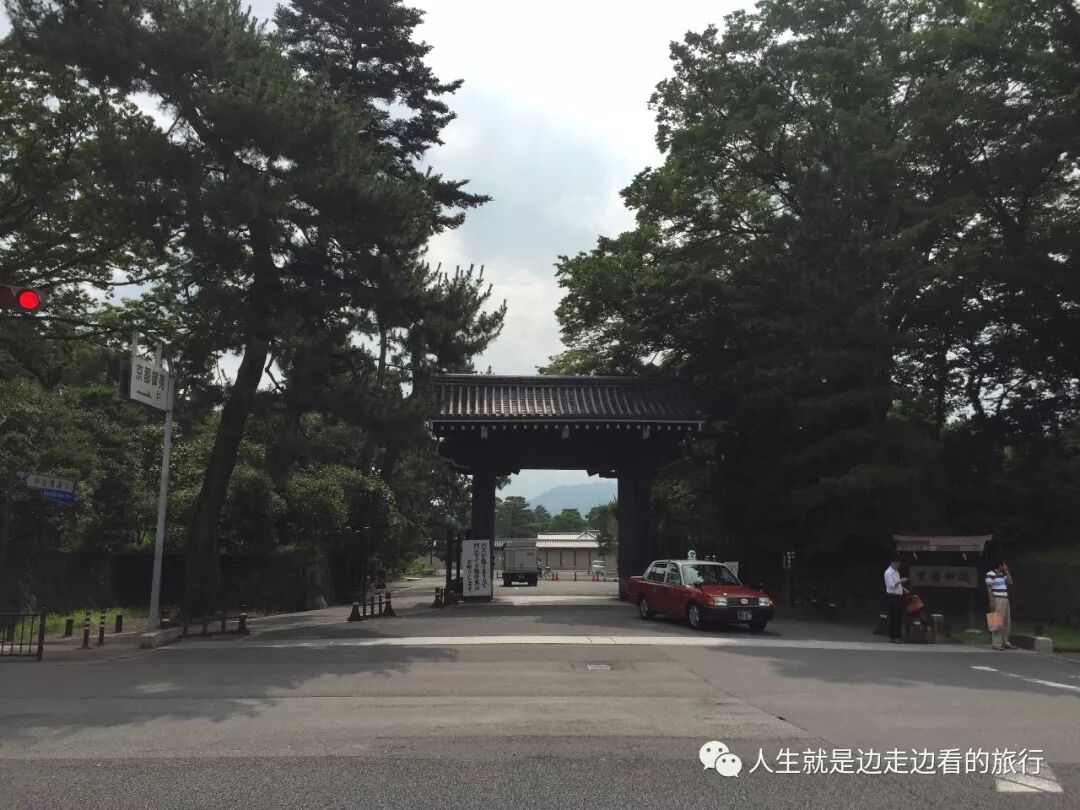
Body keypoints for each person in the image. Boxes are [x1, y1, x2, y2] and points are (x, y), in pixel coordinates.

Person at [985, 560, 1014, 650]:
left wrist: (1007, 572)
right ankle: (996, 643)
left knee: (1006, 621)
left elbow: (1010, 582)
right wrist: (991, 600)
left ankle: (1004, 641)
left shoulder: (1003, 575)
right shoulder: (990, 574)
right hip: (997, 598)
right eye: (1004, 565)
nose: (1006, 567)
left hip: (1005, 598)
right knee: (996, 620)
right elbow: (989, 588)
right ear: (999, 565)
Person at [884, 558, 908, 643]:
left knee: (898, 617)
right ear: (893, 563)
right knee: (893, 617)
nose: (898, 566)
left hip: (899, 596)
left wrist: (903, 588)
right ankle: (893, 637)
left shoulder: (896, 572)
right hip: (892, 596)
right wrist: (901, 581)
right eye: (897, 565)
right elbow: (891, 585)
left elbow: (898, 585)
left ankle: (898, 635)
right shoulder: (888, 572)